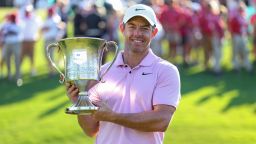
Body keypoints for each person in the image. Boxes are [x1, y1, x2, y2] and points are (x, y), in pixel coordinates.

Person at [66, 4, 181, 144]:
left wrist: (114, 117)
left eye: (144, 28)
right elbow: (90, 130)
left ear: (154, 33)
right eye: (132, 27)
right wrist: (80, 102)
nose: (137, 33)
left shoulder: (166, 71)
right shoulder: (102, 71)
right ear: (122, 29)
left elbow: (161, 121)